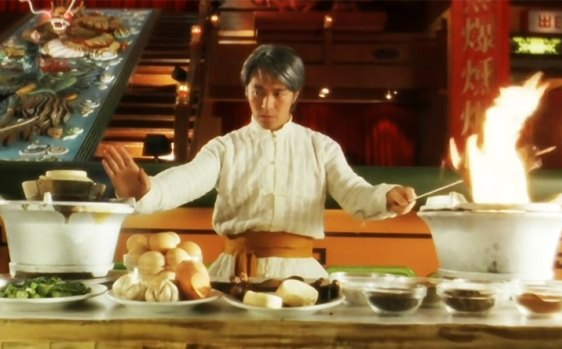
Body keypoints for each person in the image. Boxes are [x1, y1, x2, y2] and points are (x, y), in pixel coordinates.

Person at [102, 44, 417, 280]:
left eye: (279, 93)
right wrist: (147, 190)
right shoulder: (225, 148)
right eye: (258, 91)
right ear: (246, 91)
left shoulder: (322, 148)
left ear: (295, 94)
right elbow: (188, 179)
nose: (267, 104)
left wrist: (385, 197)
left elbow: (354, 193)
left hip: (302, 277)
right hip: (233, 275)